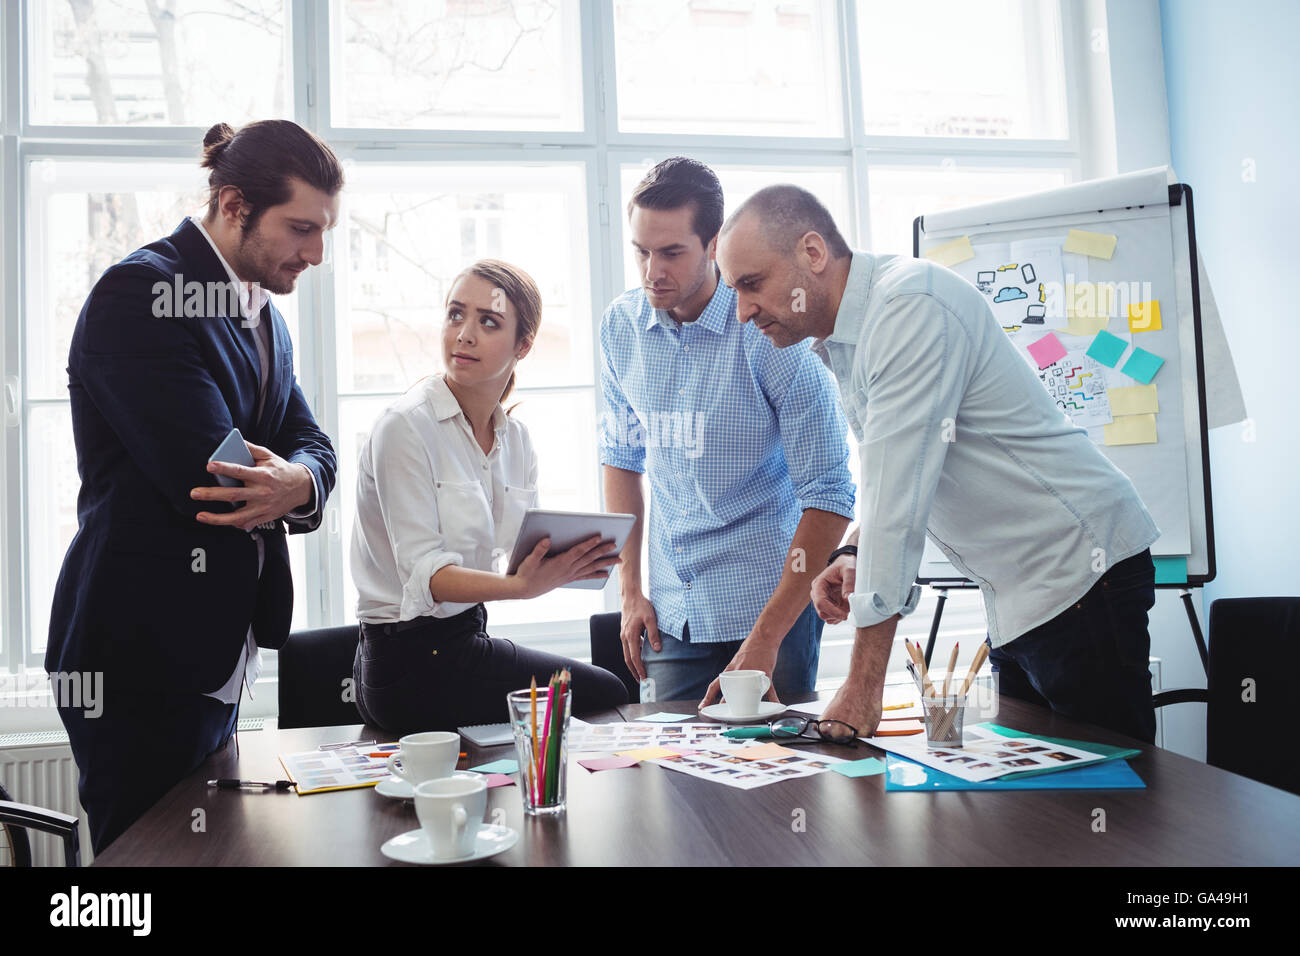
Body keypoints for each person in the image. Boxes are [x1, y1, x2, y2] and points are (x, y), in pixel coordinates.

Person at [715, 184, 1161, 743]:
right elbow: (891, 479)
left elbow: (899, 501)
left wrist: (863, 684)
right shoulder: (851, 340)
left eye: (752, 284)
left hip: (1079, 571)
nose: (742, 311)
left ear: (812, 253)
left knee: (1111, 794)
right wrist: (854, 550)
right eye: (734, 290)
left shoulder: (909, 308)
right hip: (1021, 590)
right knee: (1042, 796)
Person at [46, 120, 342, 853]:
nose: (317, 253)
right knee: (147, 862)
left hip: (214, 653)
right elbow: (214, 479)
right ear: (235, 204)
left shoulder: (265, 318)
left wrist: (299, 479)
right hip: (137, 657)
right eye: (301, 228)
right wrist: (282, 480)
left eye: (325, 230)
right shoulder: (141, 294)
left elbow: (315, 449)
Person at [600, 158, 855, 708]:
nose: (652, 272)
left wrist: (767, 637)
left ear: (714, 244)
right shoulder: (620, 328)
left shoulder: (774, 330)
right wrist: (631, 593)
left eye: (671, 253)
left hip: (771, 612)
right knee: (676, 782)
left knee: (779, 779)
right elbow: (621, 458)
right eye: (641, 251)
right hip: (672, 616)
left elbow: (830, 496)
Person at [350, 259, 629, 735]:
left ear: (523, 345)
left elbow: (515, 553)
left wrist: (570, 559)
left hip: (464, 641)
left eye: (488, 321)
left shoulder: (515, 439)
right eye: (456, 315)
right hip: (407, 664)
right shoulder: (405, 426)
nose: (464, 334)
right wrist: (522, 587)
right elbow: (427, 577)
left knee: (601, 695)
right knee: (607, 694)